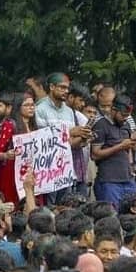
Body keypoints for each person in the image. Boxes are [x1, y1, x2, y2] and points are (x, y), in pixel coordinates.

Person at [35, 72, 92, 204]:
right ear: (51, 87)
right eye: (62, 87)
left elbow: (69, 143)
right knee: (49, 209)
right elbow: (42, 139)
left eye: (67, 88)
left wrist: (83, 138)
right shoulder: (40, 109)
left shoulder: (69, 111)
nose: (66, 91)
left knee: (65, 208)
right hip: (47, 171)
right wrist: (71, 131)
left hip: (66, 169)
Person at [90, 95, 136, 208]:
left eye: (127, 116)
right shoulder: (101, 125)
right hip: (109, 181)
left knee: (131, 214)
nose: (125, 118)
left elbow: (128, 150)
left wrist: (131, 164)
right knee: (111, 216)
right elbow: (95, 154)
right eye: (122, 115)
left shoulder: (126, 124)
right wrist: (120, 146)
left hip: (128, 178)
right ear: (113, 109)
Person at [0, 92, 36, 205]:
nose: (31, 108)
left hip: (30, 172)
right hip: (11, 174)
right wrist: (6, 155)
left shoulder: (34, 126)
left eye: (32, 105)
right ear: (18, 107)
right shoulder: (10, 124)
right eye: (27, 105)